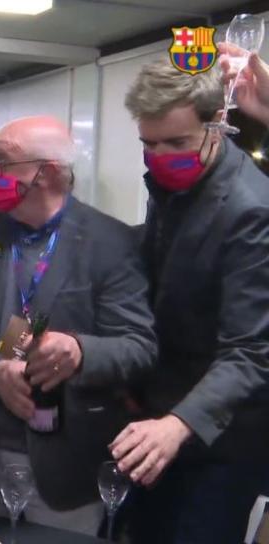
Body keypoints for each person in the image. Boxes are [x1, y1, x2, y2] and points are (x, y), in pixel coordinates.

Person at [0, 116, 156, 536]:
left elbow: (139, 346)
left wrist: (81, 351)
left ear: (46, 172)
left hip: (64, 466)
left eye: (1, 160)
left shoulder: (110, 242)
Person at [110, 59, 269, 544]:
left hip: (220, 437)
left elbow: (250, 351)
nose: (159, 157)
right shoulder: (174, 181)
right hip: (159, 419)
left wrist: (178, 424)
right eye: (147, 145)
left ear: (216, 127)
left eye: (176, 143)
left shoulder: (251, 211)